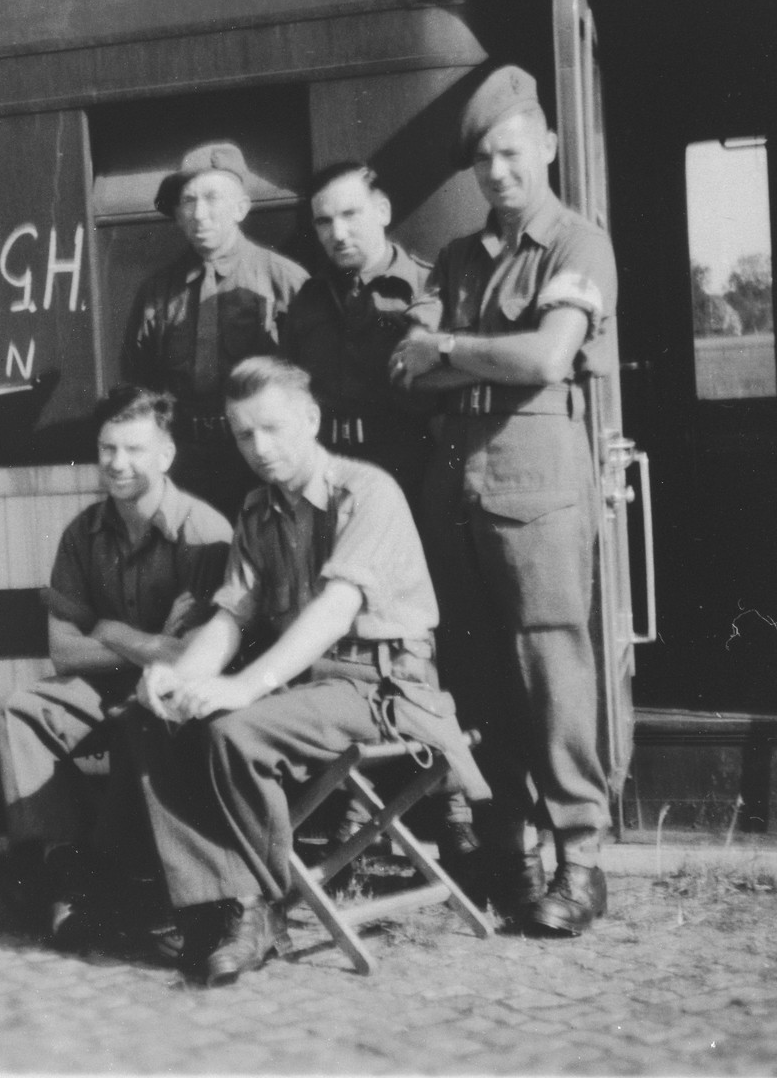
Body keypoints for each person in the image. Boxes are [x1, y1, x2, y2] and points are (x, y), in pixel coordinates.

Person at [127, 358, 485, 986]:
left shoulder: (367, 492)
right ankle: (226, 904)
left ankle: (261, 907)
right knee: (154, 719)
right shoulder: (257, 511)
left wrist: (243, 686)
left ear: (312, 420)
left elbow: (336, 607)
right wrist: (180, 676)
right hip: (311, 688)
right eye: (244, 435)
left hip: (381, 687)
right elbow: (230, 617)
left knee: (234, 732)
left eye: (273, 429)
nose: (260, 449)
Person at [390, 65, 617, 937]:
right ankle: (508, 855)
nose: (498, 174)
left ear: (547, 148)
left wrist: (449, 345)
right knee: (477, 675)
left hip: (536, 480)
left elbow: (544, 361)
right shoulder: (455, 255)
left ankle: (581, 864)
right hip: (456, 482)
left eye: (512, 154)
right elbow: (404, 368)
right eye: (483, 161)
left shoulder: (576, 244)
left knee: (552, 672)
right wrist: (459, 352)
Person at [0, 385, 231, 945]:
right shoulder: (84, 533)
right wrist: (142, 642)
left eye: (134, 450)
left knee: (145, 724)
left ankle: (124, 883)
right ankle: (67, 872)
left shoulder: (204, 534)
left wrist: (114, 631)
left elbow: (188, 656)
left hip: (166, 694)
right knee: (15, 713)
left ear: (166, 455)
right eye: (107, 449)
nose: (117, 464)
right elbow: (64, 650)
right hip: (98, 685)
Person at [121, 142, 309, 518]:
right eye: (188, 202)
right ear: (177, 214)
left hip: (261, 460)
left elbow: (311, 380)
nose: (199, 214)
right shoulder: (157, 292)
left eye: (212, 198)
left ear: (241, 207)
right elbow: (138, 383)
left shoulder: (283, 281)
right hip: (186, 465)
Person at [283, 162, 440, 500]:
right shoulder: (308, 299)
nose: (337, 234)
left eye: (350, 214)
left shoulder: (427, 288)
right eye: (324, 221)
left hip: (409, 473)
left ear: (382, 211)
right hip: (329, 472)